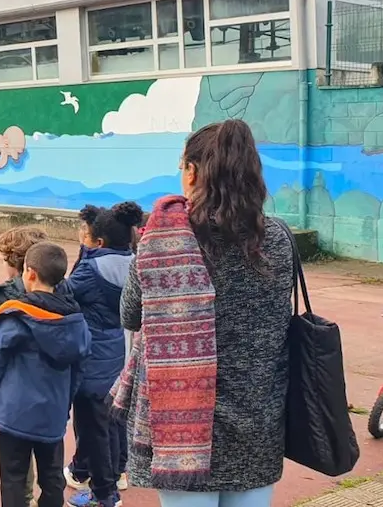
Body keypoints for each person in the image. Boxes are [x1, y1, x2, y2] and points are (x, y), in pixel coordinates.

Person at [111, 119, 294, 507]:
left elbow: (130, 315)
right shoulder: (277, 239)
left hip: (183, 430)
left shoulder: (165, 240)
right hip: (257, 423)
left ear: (192, 172)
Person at [0, 242, 90, 507]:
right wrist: (65, 402)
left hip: (14, 414)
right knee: (51, 477)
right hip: (52, 414)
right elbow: (80, 368)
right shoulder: (76, 322)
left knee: (13, 479)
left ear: (30, 273)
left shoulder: (17, 317)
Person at [63, 203, 143, 507]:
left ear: (99, 242)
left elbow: (65, 293)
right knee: (116, 416)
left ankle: (104, 493)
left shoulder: (90, 268)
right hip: (123, 350)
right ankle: (119, 470)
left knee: (93, 426)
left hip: (94, 356)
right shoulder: (135, 262)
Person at [0, 226, 49, 505]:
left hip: (13, 398)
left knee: (14, 470)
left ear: (16, 265)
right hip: (52, 397)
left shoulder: (1, 297)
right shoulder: (64, 293)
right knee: (50, 466)